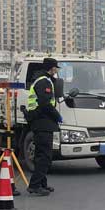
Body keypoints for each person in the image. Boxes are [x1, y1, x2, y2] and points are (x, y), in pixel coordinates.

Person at [27, 57, 62, 196]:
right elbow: (45, 103)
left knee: (40, 155)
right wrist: (57, 115)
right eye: (56, 68)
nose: (57, 70)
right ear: (52, 68)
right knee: (45, 156)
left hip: (40, 121)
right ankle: (34, 185)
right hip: (43, 122)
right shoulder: (44, 81)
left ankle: (42, 183)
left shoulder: (41, 79)